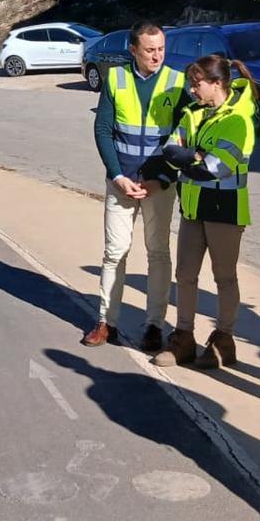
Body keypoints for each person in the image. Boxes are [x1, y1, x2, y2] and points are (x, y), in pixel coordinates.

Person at [84, 22, 188, 353]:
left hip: (159, 185)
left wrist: (164, 178)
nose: (156, 55)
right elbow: (103, 130)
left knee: (158, 253)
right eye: (149, 50)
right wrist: (117, 176)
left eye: (160, 49)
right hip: (121, 183)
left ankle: (154, 326)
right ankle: (106, 322)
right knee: (115, 252)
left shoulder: (177, 81)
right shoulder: (115, 79)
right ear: (133, 50)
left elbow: (185, 136)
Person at [152, 55, 258, 369]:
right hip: (193, 206)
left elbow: (214, 169)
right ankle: (183, 337)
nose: (192, 90)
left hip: (225, 209)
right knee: (185, 275)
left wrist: (192, 159)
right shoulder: (193, 113)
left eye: (196, 84)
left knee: (224, 278)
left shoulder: (239, 119)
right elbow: (169, 152)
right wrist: (193, 156)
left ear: (216, 83)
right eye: (191, 83)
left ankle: (223, 340)